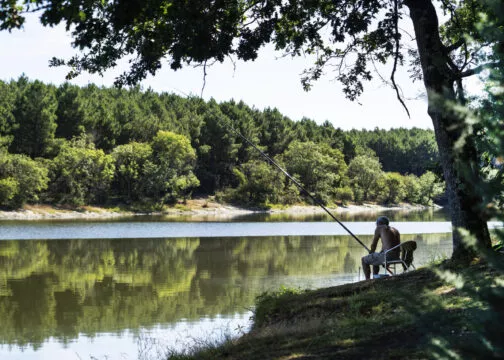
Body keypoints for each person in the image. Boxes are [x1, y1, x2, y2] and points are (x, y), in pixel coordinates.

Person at [361, 216, 400, 280]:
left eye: (376, 223)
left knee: (364, 260)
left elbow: (374, 245)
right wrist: (374, 254)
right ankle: (375, 278)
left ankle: (367, 280)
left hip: (388, 256)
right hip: (396, 256)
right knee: (375, 257)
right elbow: (391, 246)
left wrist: (371, 251)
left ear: (380, 223)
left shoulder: (379, 228)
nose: (376, 225)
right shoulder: (395, 230)